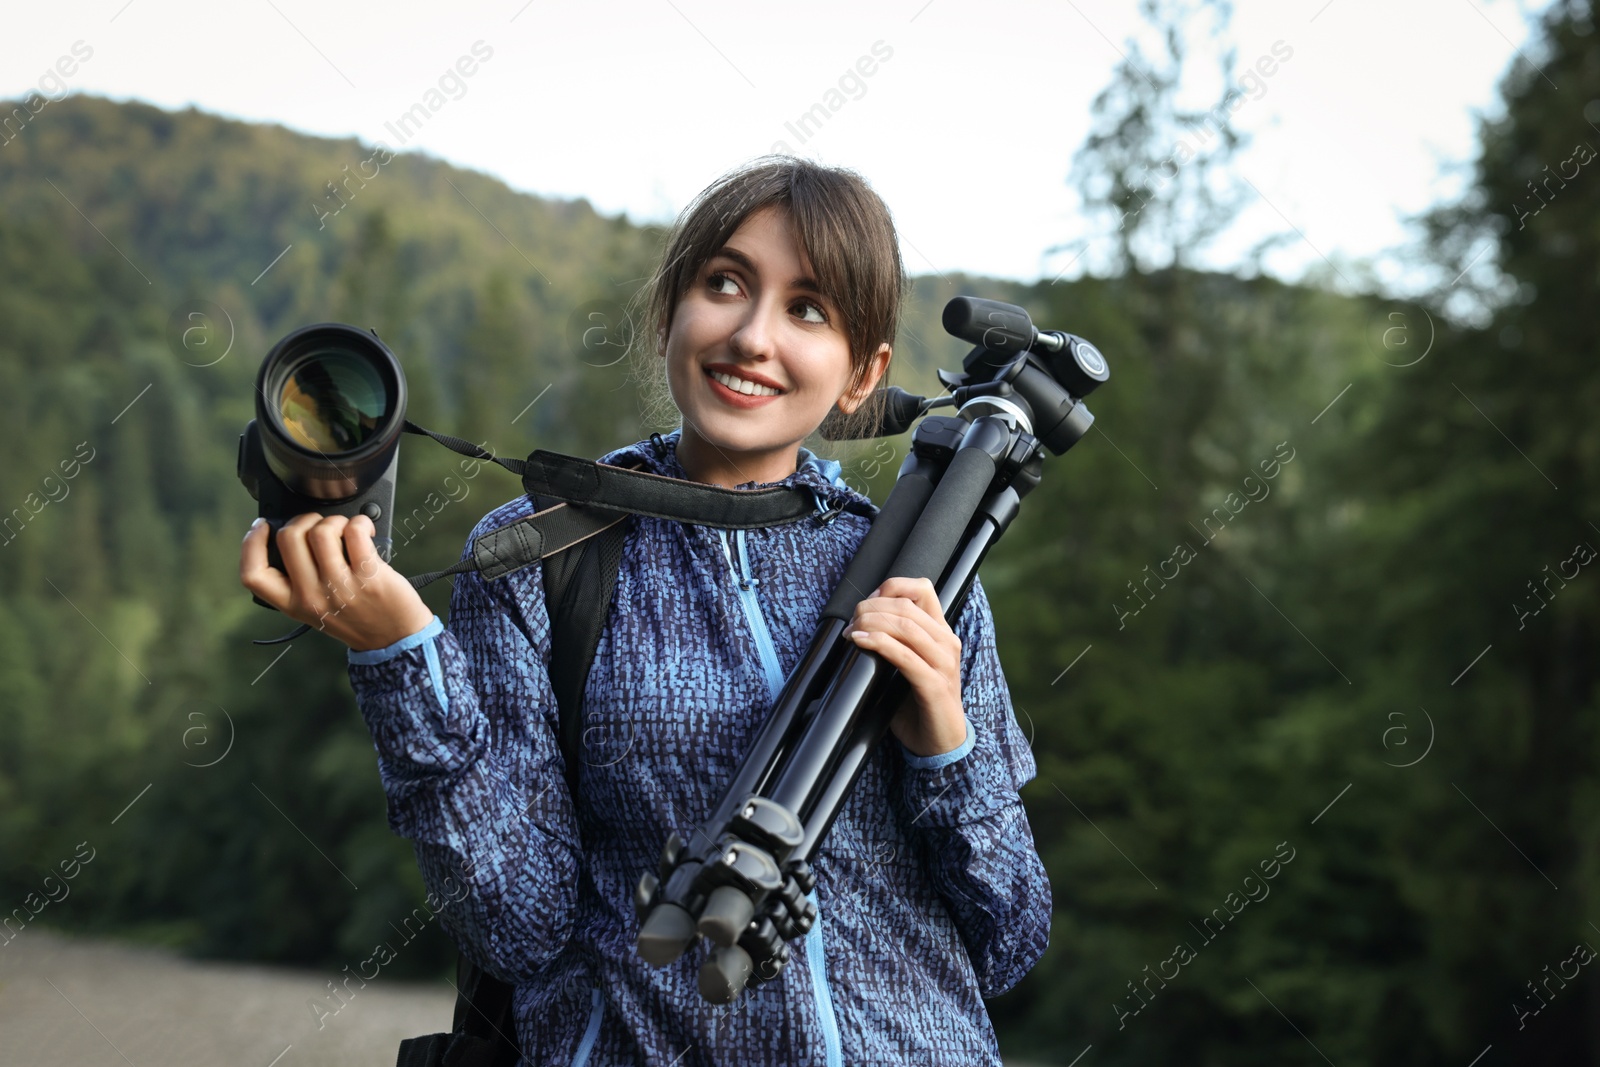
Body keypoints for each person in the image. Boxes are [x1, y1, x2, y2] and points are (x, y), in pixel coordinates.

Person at [240, 157, 1050, 1066]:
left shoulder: (921, 576)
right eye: (726, 284)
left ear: (864, 371)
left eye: (808, 309)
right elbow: (517, 929)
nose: (752, 335)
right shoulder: (543, 554)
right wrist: (400, 654)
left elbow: (1009, 941)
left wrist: (946, 743)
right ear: (671, 309)